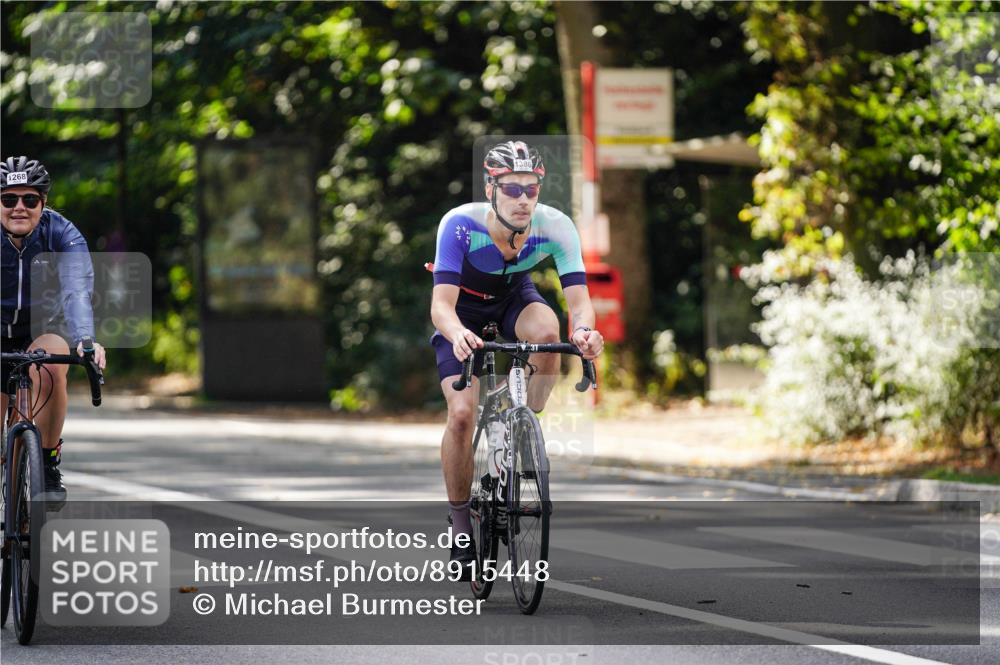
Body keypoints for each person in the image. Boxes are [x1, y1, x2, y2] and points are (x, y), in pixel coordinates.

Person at [429, 140, 604, 577]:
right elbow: (441, 306)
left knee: (547, 335)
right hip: (463, 312)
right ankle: (458, 523)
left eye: (531, 189)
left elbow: (579, 302)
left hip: (514, 300)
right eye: (512, 189)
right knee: (463, 415)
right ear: (491, 189)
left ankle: (517, 415)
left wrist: (583, 332)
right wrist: (457, 334)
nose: (523, 199)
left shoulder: (556, 225)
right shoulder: (459, 225)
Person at [1, 156, 107, 505]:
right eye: (8, 199)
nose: (19, 207)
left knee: (50, 363)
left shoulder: (61, 233)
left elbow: (77, 289)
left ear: (43, 203)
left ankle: (46, 463)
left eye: (29, 199)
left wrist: (84, 340)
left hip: (40, 332)